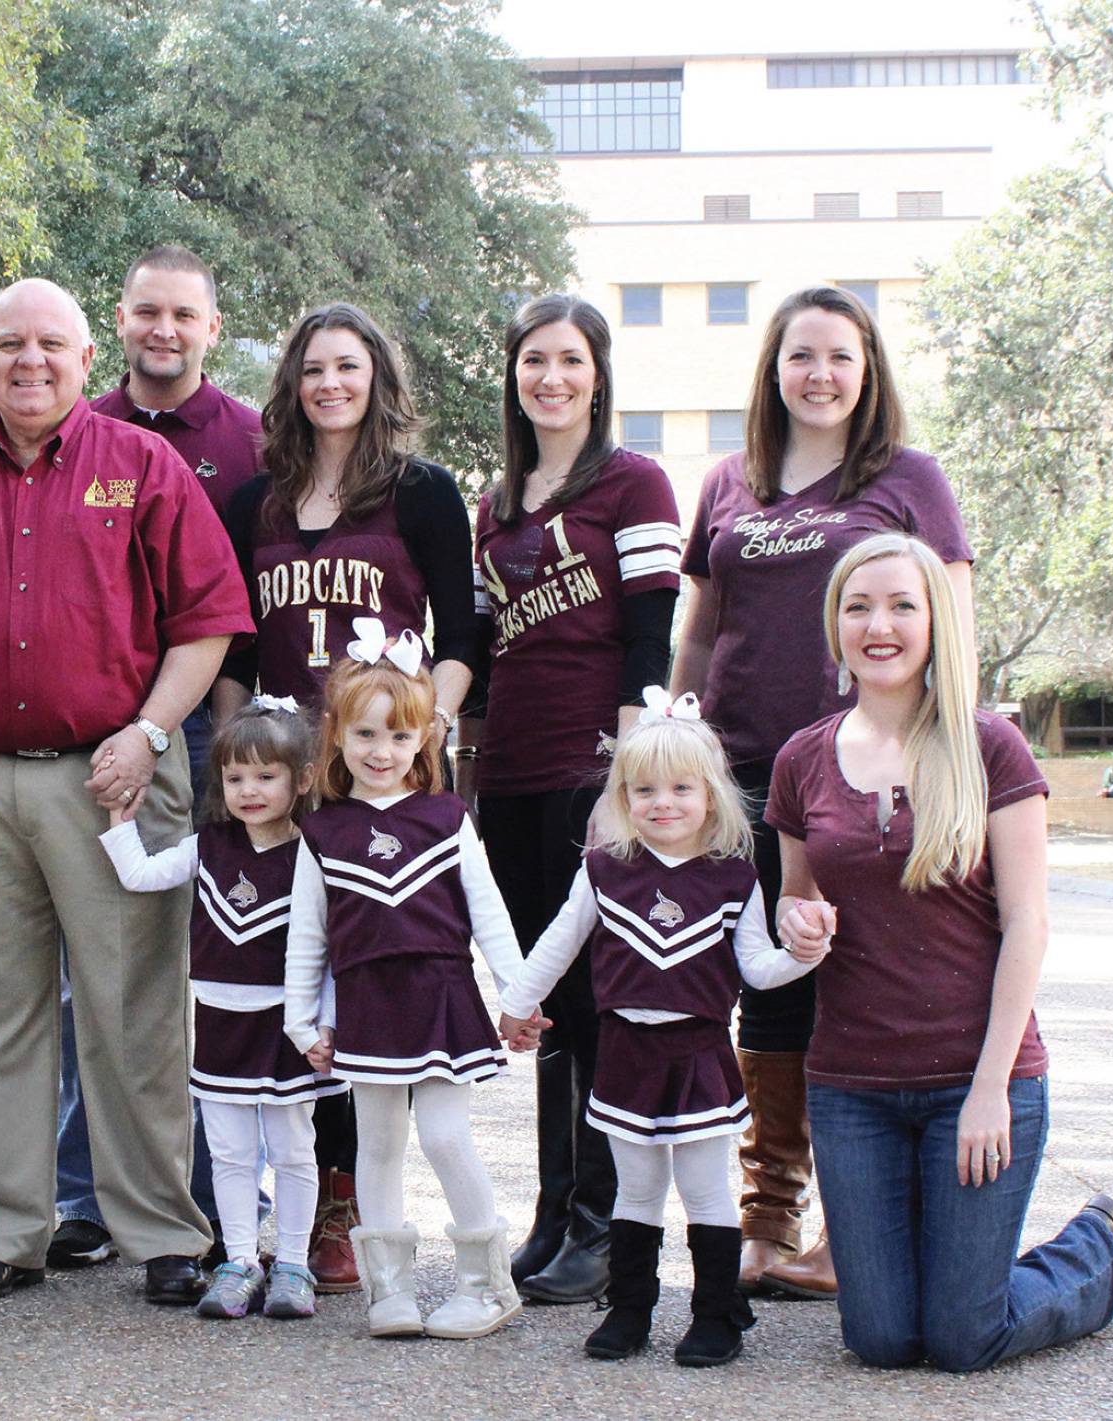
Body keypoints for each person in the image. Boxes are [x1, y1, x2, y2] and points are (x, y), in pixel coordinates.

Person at [0, 278, 252, 1305]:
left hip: (115, 778)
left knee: (130, 1012)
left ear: (79, 356)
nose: (29, 360)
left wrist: (151, 733)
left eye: (49, 344)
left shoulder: (142, 464)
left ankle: (160, 1230)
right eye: (7, 343)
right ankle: (4, 1230)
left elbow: (206, 620)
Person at [640, 284, 974, 1301]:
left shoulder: (905, 477)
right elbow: (700, 623)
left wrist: (938, 742)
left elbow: (949, 616)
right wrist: (680, 722)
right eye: (799, 356)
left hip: (865, 763)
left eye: (838, 355)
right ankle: (765, 1211)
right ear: (772, 370)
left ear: (866, 369)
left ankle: (850, 1221)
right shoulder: (728, 483)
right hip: (742, 766)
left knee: (855, 976)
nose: (818, 374)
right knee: (767, 978)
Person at [769, 533, 1113, 1371]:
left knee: (965, 1336)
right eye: (858, 606)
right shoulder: (801, 760)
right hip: (853, 1088)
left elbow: (1027, 924)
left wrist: (992, 1088)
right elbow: (794, 896)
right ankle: (959, 1273)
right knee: (884, 1339)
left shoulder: (989, 746)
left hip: (979, 1079)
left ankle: (1092, 1252)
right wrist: (799, 921)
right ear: (835, 625)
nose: (878, 624)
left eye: (901, 604)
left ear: (935, 621)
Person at [213, 300, 479, 1293]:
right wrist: (233, 764)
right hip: (288, 776)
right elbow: (236, 645)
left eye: (348, 366)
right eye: (313, 368)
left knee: (378, 978)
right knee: (299, 975)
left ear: (376, 380)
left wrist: (422, 737)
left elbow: (461, 635)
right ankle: (296, 1188)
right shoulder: (255, 501)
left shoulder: (419, 493)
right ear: (290, 384)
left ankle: (355, 1193)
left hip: (382, 772)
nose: (330, 382)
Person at [499, 692, 823, 1367]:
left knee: (705, 1188)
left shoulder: (735, 878)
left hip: (699, 1054)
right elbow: (558, 944)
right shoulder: (603, 870)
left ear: (712, 794)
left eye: (681, 787)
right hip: (625, 1053)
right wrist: (518, 1003)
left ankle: (714, 1313)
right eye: (643, 788)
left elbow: (758, 969)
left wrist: (805, 954)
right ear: (621, 796)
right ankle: (630, 1306)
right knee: (637, 1187)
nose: (662, 802)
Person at [60, 244, 268, 1263]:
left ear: (210, 327)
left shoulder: (252, 442)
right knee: (84, 965)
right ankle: (81, 1194)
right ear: (120, 316)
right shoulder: (76, 425)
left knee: (195, 959)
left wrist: (227, 737)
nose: (164, 330)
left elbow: (249, 602)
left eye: (183, 315)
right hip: (89, 724)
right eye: (147, 310)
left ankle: (201, 1191)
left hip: (197, 724)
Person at [474, 293, 683, 1304]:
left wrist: (627, 774)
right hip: (506, 773)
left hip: (587, 770)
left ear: (596, 373)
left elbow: (651, 637)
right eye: (531, 362)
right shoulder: (498, 498)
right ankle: (555, 1208)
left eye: (567, 361)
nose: (548, 378)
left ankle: (604, 1226)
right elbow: (480, 640)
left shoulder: (633, 482)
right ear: (512, 376)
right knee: (544, 997)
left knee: (599, 1001)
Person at [284, 630, 523, 1341]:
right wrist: (304, 1023)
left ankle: (488, 1282)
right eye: (364, 732)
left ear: (425, 737)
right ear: (336, 734)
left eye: (398, 734)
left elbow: (490, 914)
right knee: (378, 1144)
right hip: (367, 1009)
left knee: (447, 1136)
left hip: (442, 999)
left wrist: (518, 992)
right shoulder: (322, 830)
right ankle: (389, 1290)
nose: (380, 749)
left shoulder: (448, 818)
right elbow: (308, 937)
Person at [97, 698, 338, 1322]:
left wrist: (325, 1024)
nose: (249, 791)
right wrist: (121, 822)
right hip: (222, 1022)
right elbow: (142, 877)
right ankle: (238, 1261)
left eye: (266, 776)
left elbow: (333, 953)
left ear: (302, 779)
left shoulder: (315, 852)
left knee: (291, 1147)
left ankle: (291, 1264)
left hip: (288, 1026)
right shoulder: (208, 844)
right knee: (229, 1151)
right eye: (235, 778)